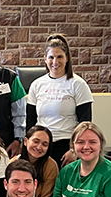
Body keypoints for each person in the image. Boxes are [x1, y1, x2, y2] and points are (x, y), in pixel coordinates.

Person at [27, 33, 93, 169]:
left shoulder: (78, 84)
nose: (55, 62)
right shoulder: (37, 84)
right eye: (51, 57)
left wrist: (75, 150)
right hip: (41, 147)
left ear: (67, 58)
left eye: (59, 57)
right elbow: (31, 121)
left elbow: (85, 123)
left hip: (66, 147)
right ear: (45, 59)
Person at [12, 125, 59, 197]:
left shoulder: (51, 166)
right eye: (36, 141)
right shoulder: (13, 163)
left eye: (44, 144)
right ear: (26, 141)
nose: (39, 147)